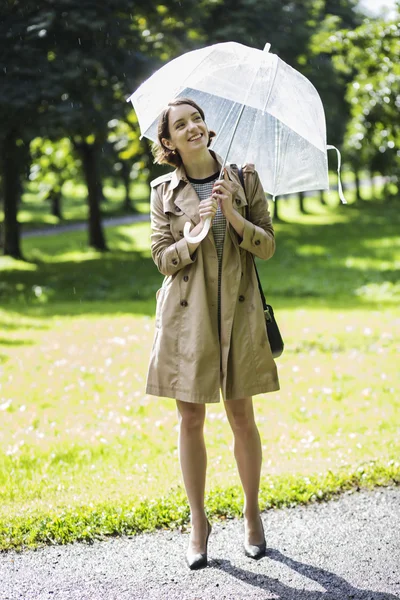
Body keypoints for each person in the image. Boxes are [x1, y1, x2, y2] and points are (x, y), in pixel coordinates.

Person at [146, 98, 280, 569]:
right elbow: (162, 258)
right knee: (191, 420)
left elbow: (267, 246)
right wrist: (195, 232)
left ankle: (251, 514)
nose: (193, 127)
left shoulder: (242, 179)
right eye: (180, 124)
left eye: (197, 119)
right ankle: (198, 522)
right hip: (188, 318)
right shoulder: (163, 191)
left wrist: (234, 215)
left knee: (241, 416)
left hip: (239, 315)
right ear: (169, 142)